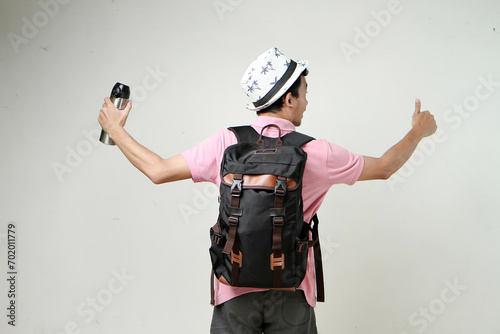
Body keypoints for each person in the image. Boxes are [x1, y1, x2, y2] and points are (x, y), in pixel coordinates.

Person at [98, 47, 437, 333]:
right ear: (288, 98)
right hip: (291, 292)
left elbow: (157, 171)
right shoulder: (316, 151)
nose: (307, 101)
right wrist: (418, 132)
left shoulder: (226, 143)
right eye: (304, 93)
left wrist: (116, 129)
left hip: (232, 290)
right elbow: (386, 166)